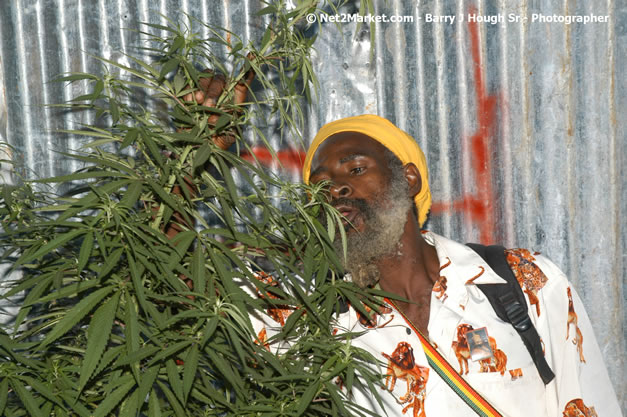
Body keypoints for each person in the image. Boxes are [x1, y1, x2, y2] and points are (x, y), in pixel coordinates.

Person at [300, 114, 621, 417]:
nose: (335, 189)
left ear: (409, 179)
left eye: (356, 169)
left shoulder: (525, 284)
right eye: (319, 185)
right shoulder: (322, 327)